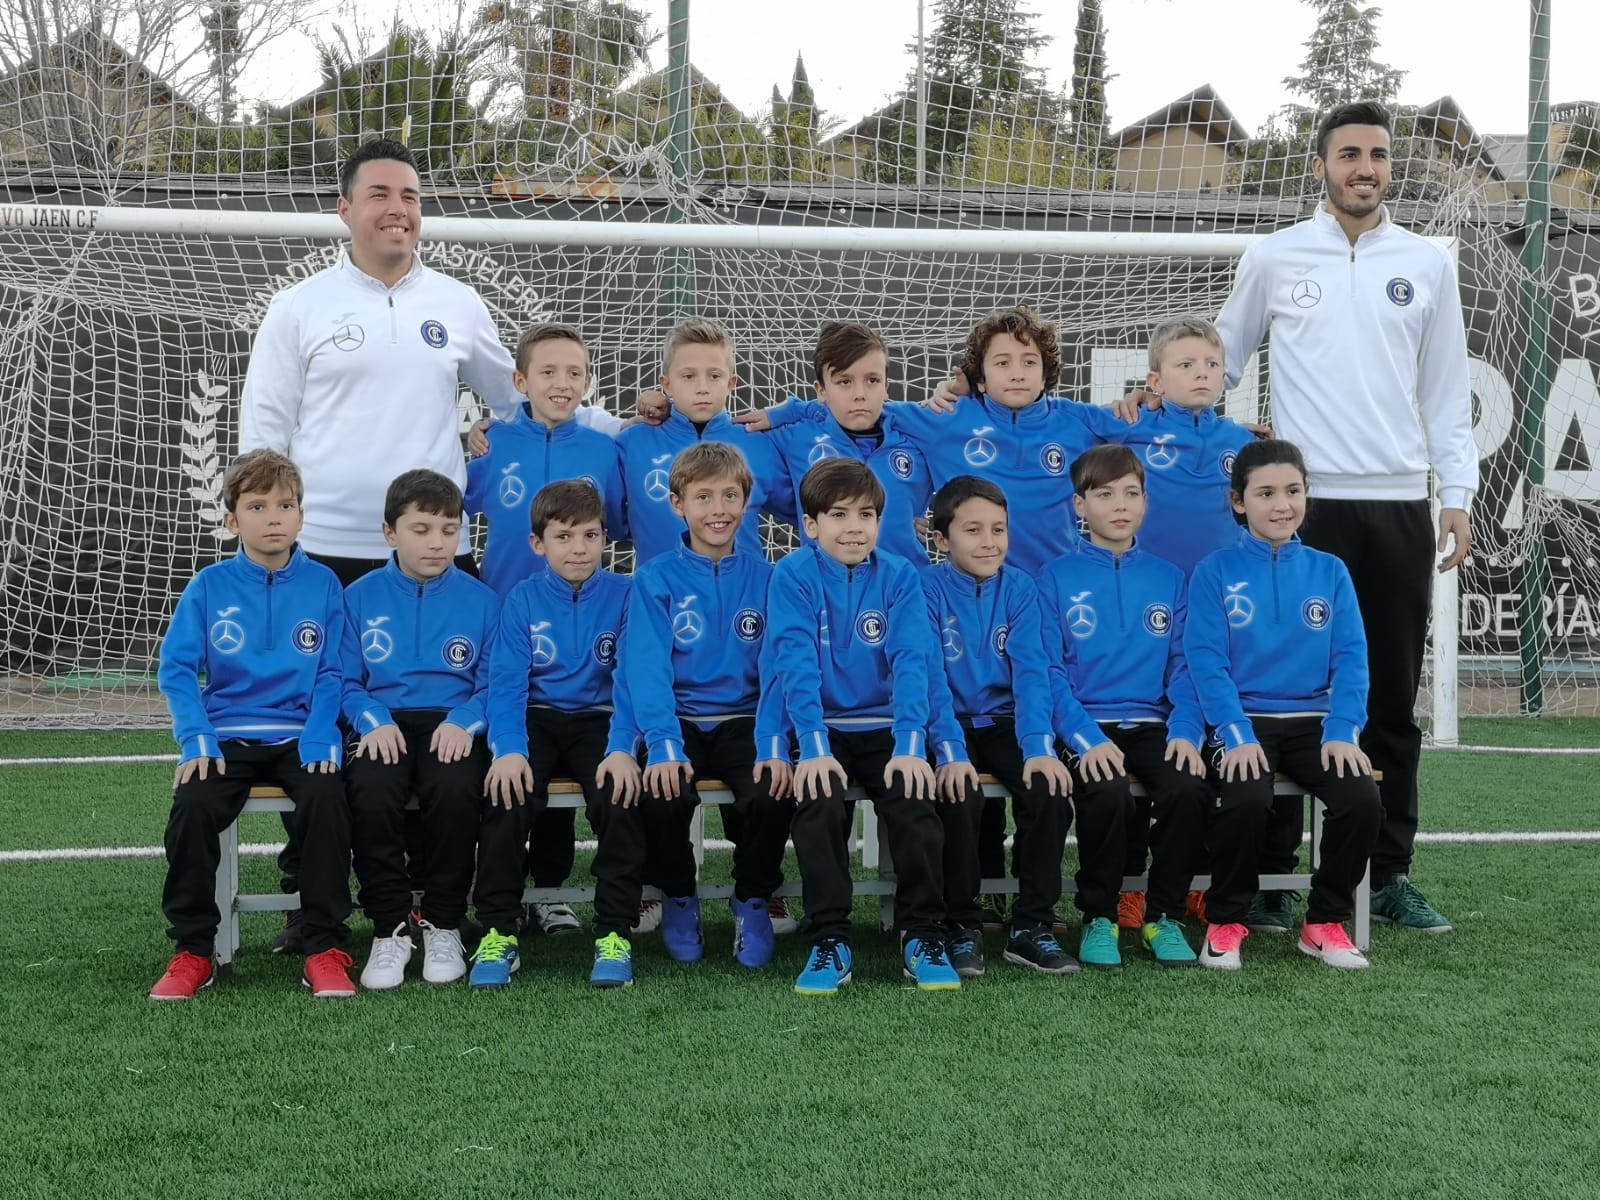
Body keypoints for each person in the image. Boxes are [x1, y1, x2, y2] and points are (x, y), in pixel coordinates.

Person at [237, 137, 623, 950]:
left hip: (436, 551)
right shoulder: (299, 307)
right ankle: (312, 891)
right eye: (380, 194)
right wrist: (267, 533)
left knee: (445, 728)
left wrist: (625, 422)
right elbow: (265, 427)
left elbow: (521, 402)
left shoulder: (458, 303)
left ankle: (425, 899)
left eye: (410, 195)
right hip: (329, 551)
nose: (397, 208)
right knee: (330, 723)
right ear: (345, 209)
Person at [1205, 101, 1477, 933]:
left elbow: (1447, 389)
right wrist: (1154, 411)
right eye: (1349, 153)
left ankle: (1388, 874)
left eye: (1378, 155)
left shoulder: (1426, 263)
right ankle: (1274, 877)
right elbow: (1219, 360)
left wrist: (1456, 494)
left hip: (1397, 505)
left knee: (1389, 696)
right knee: (1282, 693)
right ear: (1320, 165)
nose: (1365, 167)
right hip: (1301, 507)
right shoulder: (1275, 255)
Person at [149, 450, 355, 1000]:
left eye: (285, 506)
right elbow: (176, 669)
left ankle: (323, 946)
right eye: (257, 506)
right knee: (192, 808)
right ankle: (194, 950)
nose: (273, 519)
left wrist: (321, 732)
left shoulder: (325, 585)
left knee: (328, 800)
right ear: (233, 519)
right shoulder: (209, 585)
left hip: (299, 735)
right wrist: (196, 736)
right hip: (226, 735)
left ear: (301, 516)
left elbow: (333, 670)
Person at [765, 459, 967, 996]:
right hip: (823, 727)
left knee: (915, 800)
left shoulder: (900, 575)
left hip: (887, 726)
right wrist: (812, 747)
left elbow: (912, 661)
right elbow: (794, 665)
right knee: (818, 803)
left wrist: (911, 745)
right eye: (839, 515)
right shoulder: (792, 575)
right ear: (811, 525)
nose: (854, 527)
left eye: (866, 515)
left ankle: (922, 933)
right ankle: (830, 938)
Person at [1184, 440, 1383, 971]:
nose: (1281, 505)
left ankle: (1324, 923)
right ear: (1239, 502)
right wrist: (1234, 732)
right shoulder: (1214, 571)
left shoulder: (1330, 571)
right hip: (1243, 721)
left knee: (1361, 800)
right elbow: (1206, 662)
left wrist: (1343, 729)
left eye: (1293, 491)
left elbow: (1351, 659)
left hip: (1314, 722)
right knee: (1247, 798)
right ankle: (1226, 920)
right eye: (1266, 493)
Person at [748, 304, 1125, 575]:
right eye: (1002, 363)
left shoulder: (1077, 422)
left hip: (1055, 582)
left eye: (1029, 362)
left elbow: (1136, 426)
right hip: (969, 583)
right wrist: (791, 409)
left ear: (1045, 375)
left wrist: (1146, 399)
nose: (1017, 373)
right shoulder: (945, 419)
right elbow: (861, 407)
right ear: (980, 379)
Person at [1102, 316, 1256, 934]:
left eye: (1212, 365)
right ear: (1155, 380)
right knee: (1153, 744)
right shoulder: (1129, 429)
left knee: (1209, 744)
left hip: (1222, 618)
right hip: (1148, 616)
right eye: (1186, 365)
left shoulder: (1242, 442)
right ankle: (1130, 885)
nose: (1201, 374)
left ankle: (1199, 880)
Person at [1035, 446, 1213, 969]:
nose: (1120, 505)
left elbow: (1184, 666)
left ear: (1145, 502)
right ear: (1079, 504)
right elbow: (1048, 671)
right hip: (1086, 725)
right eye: (1105, 494)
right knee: (1107, 791)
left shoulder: (1169, 578)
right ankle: (1100, 916)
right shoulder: (1054, 577)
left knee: (1189, 787)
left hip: (1154, 723)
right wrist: (1085, 738)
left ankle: (1165, 915)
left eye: (1131, 493)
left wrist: (1185, 730)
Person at [624, 443, 796, 969]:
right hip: (678, 721)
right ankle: (679, 895)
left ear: (746, 501)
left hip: (747, 720)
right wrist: (662, 743)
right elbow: (647, 667)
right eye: (703, 497)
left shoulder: (770, 578)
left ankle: (752, 898)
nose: (718, 509)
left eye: (730, 496)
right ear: (678, 504)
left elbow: (779, 669)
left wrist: (773, 740)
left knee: (772, 789)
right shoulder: (655, 577)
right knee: (662, 791)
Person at [472, 481, 646, 989]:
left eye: (590, 535)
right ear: (538, 543)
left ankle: (614, 934)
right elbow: (507, 684)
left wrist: (622, 746)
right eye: (564, 537)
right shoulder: (521, 600)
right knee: (506, 794)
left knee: (620, 795)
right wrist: (508, 749)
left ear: (606, 539)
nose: (578, 548)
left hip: (601, 718)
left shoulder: (627, 595)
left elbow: (633, 678)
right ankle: (498, 932)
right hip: (537, 717)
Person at [340, 470, 498, 990]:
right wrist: (371, 719)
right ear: (390, 533)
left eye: (449, 530)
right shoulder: (358, 598)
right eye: (421, 529)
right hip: (382, 721)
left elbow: (496, 683)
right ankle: (388, 927)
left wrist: (465, 720)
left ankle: (444, 922)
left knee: (455, 790)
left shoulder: (483, 601)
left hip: (451, 721)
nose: (437, 543)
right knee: (370, 791)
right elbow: (343, 681)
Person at [921, 476, 1077, 977]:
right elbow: (927, 679)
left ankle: (1032, 925)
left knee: (1049, 790)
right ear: (942, 539)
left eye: (999, 529)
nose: (989, 541)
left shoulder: (1021, 588)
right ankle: (960, 923)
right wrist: (950, 750)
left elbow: (1032, 673)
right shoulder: (924, 589)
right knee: (958, 795)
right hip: (946, 724)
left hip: (1008, 723)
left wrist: (1038, 747)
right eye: (973, 530)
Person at [466, 323, 627, 597]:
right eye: (548, 372)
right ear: (521, 381)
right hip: (502, 604)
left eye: (574, 373)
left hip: (580, 610)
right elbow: (450, 514)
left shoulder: (604, 450)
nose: (562, 384)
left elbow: (616, 527)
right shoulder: (493, 444)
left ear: (587, 383)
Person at [754, 322, 935, 564]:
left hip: (906, 582)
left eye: (872, 380)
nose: (860, 394)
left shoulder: (917, 438)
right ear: (821, 390)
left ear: (886, 388)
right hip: (824, 583)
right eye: (845, 382)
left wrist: (906, 522)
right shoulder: (796, 437)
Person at [618, 318, 794, 565]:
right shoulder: (632, 442)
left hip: (745, 589)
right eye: (689, 376)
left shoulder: (757, 443)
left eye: (714, 376)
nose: (702, 387)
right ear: (667, 384)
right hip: (662, 589)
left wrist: (793, 410)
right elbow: (610, 520)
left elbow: (807, 513)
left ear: (731, 383)